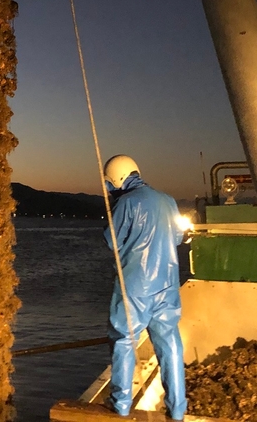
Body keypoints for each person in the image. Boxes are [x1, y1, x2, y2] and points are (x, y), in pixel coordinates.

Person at [103, 154, 187, 420]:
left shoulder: (126, 203)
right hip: (168, 285)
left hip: (135, 288)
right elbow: (177, 237)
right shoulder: (169, 201)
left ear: (115, 178)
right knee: (170, 343)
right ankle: (177, 410)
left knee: (124, 341)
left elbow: (111, 242)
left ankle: (121, 405)